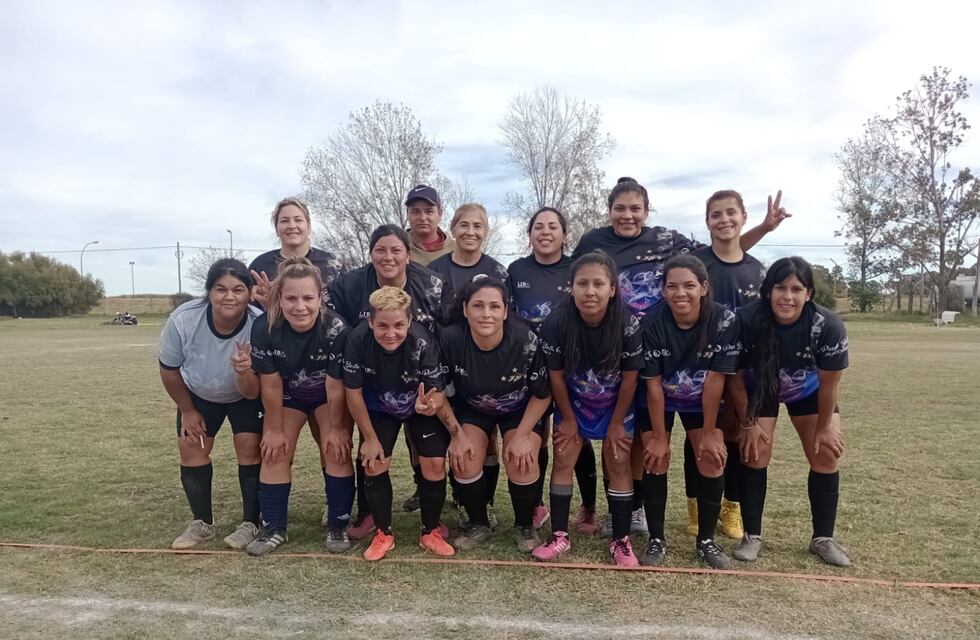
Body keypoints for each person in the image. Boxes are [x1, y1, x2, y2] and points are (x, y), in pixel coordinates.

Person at [572, 177, 787, 537]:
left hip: (672, 348)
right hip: (615, 351)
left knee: (693, 434)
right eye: (620, 209)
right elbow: (580, 282)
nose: (627, 216)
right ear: (609, 211)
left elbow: (722, 251)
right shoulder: (592, 242)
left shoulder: (667, 240)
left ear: (646, 210)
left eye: (635, 208)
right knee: (631, 437)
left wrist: (764, 228)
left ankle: (704, 512)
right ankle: (629, 508)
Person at [328, 224, 446, 539]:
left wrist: (437, 398)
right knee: (372, 450)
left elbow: (448, 329)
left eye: (396, 250)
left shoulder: (432, 285)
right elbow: (323, 319)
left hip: (420, 379)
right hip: (373, 386)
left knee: (430, 452)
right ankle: (371, 516)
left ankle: (432, 519)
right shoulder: (351, 286)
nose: (388, 257)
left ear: (409, 254)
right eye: (380, 250)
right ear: (370, 254)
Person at [732, 256, 851, 567]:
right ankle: (752, 535)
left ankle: (823, 538)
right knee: (754, 452)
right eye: (780, 288)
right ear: (768, 291)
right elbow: (735, 377)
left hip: (808, 390)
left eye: (796, 289)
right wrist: (747, 423)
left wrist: (826, 425)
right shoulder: (746, 320)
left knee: (826, 452)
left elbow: (829, 384)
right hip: (762, 389)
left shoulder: (826, 325)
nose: (787, 296)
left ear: (808, 294)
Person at [532, 252, 644, 566]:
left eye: (598, 283)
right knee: (564, 456)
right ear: (571, 288)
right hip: (575, 401)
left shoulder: (628, 322)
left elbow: (631, 377)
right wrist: (567, 418)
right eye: (582, 283)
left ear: (612, 289)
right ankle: (559, 537)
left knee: (619, 461)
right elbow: (555, 375)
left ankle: (621, 541)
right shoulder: (557, 321)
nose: (590, 291)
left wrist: (617, 422)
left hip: (615, 404)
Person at [244, 257, 353, 556]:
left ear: (321, 297)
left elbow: (334, 385)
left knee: (336, 448)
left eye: (308, 298)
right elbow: (271, 383)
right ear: (279, 297)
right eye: (291, 298)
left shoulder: (336, 328)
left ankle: (338, 524)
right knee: (274, 450)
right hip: (288, 396)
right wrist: (275, 428)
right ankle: (275, 528)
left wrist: (338, 428)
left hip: (325, 396)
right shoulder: (265, 326)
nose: (300, 306)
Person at [638, 255, 741, 569]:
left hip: (701, 400)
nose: (680, 293)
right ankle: (657, 539)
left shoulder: (724, 320)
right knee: (656, 458)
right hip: (659, 398)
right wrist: (658, 436)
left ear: (704, 287)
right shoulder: (652, 321)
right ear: (663, 291)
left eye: (689, 285)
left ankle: (705, 541)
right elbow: (653, 385)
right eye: (672, 286)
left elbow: (715, 380)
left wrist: (710, 433)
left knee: (710, 458)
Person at [435, 278, 552, 553]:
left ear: (505, 310)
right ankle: (479, 523)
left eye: (494, 306)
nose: (486, 314)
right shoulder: (450, 339)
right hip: (473, 408)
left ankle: (525, 525)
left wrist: (523, 435)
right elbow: (436, 391)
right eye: (478, 306)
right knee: (464, 458)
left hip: (518, 409)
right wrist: (457, 435)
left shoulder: (526, 340)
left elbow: (543, 393)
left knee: (521, 457)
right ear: (465, 310)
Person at [248, 196, 343, 528]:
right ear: (276, 226)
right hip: (283, 368)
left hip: (323, 368)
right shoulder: (261, 265)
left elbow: (337, 312)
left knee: (332, 441)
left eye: (297, 218)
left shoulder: (331, 263)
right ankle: (272, 522)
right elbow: (257, 314)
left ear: (308, 222)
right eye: (284, 219)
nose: (292, 225)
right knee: (274, 444)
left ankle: (336, 509)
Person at [341, 286, 454, 560]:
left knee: (435, 464)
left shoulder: (422, 341)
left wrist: (430, 405)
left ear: (409, 322)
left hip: (419, 407)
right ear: (370, 322)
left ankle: (430, 531)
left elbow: (437, 393)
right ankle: (384, 533)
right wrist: (369, 437)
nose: (391, 333)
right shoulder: (357, 340)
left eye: (398, 325)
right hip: (379, 407)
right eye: (382, 325)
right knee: (374, 460)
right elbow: (352, 394)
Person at [683, 190, 770, 540]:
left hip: (743, 369)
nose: (724, 220)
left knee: (735, 436)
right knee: (700, 438)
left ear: (743, 216)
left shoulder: (757, 270)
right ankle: (696, 506)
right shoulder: (698, 265)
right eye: (716, 215)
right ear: (707, 222)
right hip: (702, 367)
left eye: (730, 213)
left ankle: (731, 508)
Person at [159, 259, 264, 551]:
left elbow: (254, 389)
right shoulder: (184, 319)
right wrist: (188, 411)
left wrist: (243, 370)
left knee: (249, 448)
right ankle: (201, 523)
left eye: (238, 290)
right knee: (192, 447)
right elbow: (169, 369)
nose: (229, 297)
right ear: (208, 292)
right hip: (199, 394)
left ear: (249, 293)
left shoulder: (258, 324)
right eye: (220, 289)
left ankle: (251, 523)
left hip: (244, 395)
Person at [507, 207, 600, 535]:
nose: (545, 232)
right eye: (538, 227)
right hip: (529, 366)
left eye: (552, 227)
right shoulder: (516, 269)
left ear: (564, 234)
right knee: (538, 436)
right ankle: (535, 505)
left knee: (577, 435)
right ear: (530, 234)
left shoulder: (576, 269)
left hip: (571, 365)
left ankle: (588, 508)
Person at [429, 203, 510, 528]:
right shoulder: (435, 270)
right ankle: (461, 498)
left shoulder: (498, 272)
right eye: (464, 225)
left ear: (486, 231)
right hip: (448, 364)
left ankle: (484, 502)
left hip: (487, 367)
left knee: (487, 439)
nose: (470, 232)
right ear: (453, 228)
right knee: (455, 435)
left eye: (478, 226)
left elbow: (506, 319)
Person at [249, 197, 341, 305]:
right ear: (276, 229)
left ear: (309, 226)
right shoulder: (259, 266)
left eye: (298, 220)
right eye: (284, 221)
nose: (292, 226)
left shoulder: (333, 264)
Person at [405, 184, 455, 265]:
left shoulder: (457, 250)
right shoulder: (397, 249)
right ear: (407, 214)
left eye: (429, 211)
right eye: (416, 212)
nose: (423, 218)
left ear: (440, 213)